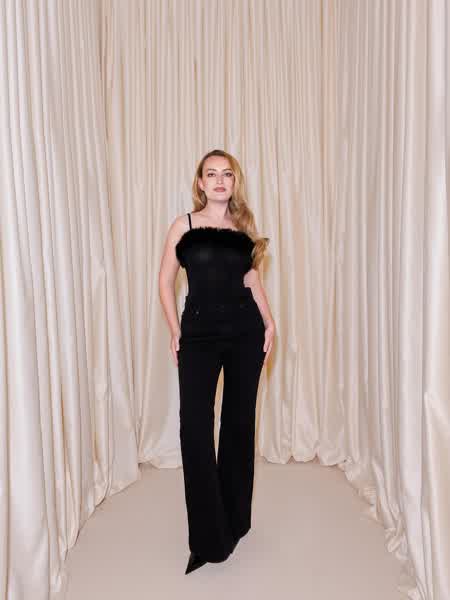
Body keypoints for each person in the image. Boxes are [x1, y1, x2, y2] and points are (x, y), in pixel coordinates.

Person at [158, 149, 275, 574]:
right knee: (194, 428)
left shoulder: (243, 230)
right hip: (199, 337)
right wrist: (175, 330)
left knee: (240, 425)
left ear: (234, 182)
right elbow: (165, 281)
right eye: (212, 174)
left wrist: (269, 321)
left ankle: (235, 520)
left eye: (227, 174)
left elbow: (251, 279)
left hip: (246, 334)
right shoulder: (185, 226)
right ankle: (208, 537)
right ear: (201, 183)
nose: (220, 180)